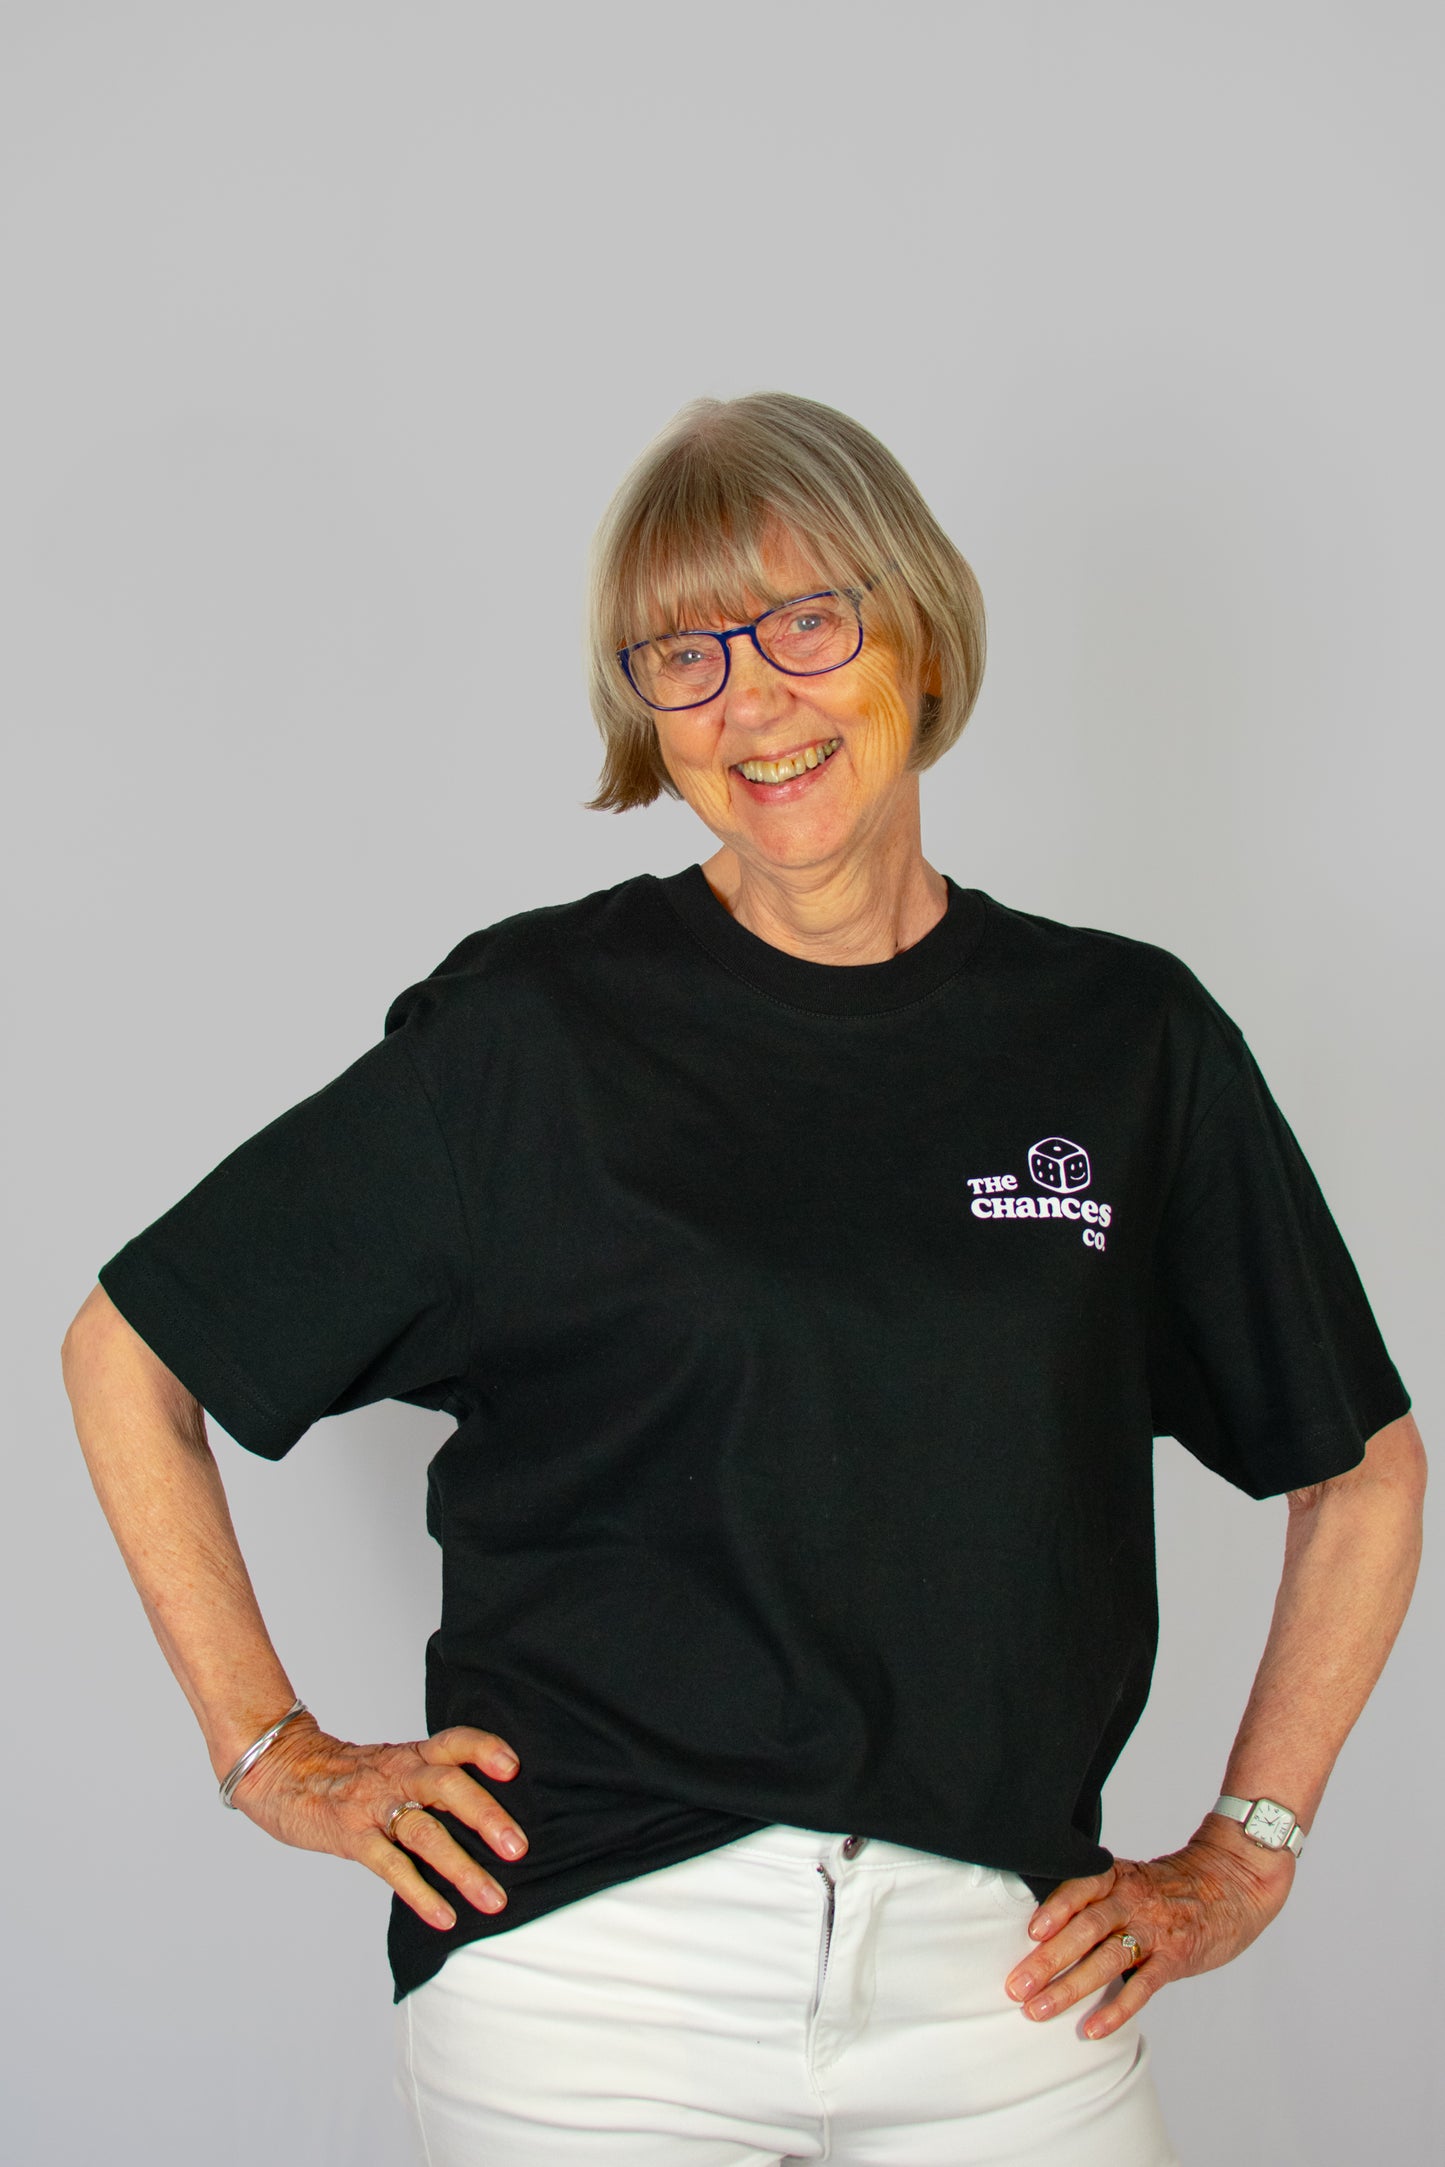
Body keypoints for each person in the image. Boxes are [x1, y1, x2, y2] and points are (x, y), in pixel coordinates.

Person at [62, 391, 1424, 2167]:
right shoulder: (531, 1036)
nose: (751, 701)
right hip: (592, 1977)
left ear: (915, 630)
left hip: (1005, 1982)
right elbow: (130, 1352)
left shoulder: (1122, 1041)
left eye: (803, 624)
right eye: (682, 656)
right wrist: (273, 1755)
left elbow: (1360, 1472)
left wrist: (1246, 1851)